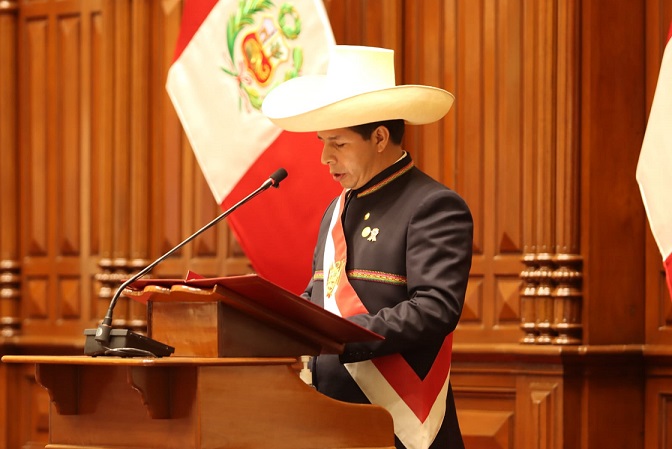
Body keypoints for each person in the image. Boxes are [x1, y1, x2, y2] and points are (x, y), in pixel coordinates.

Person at [262, 45, 473, 449]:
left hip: (396, 428)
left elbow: (435, 308)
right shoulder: (338, 207)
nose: (324, 157)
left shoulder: (432, 205)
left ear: (379, 137)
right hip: (326, 418)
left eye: (338, 144)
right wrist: (275, 322)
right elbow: (320, 294)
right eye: (323, 142)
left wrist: (340, 335)